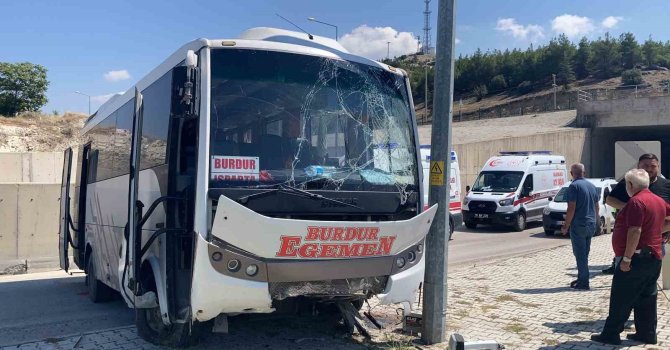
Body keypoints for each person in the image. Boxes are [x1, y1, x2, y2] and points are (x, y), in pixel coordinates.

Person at [591, 169, 670, 345]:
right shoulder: (658, 200)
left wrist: (626, 259)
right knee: (647, 298)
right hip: (654, 257)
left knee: (621, 297)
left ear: (631, 185)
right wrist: (657, 231)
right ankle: (647, 333)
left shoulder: (636, 202)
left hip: (637, 259)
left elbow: (635, 230)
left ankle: (611, 334)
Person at [602, 153, 670, 274]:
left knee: (648, 278)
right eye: (645, 165)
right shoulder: (629, 182)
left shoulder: (666, 185)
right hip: (629, 239)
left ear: (658, 167)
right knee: (628, 278)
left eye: (653, 166)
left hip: (656, 241)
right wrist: (630, 208)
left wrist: (655, 229)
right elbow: (610, 199)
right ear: (638, 166)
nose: (649, 169)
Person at [560, 163, 600, 290]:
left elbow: (571, 207)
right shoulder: (592, 186)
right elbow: (596, 207)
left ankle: (583, 283)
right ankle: (582, 277)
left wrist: (566, 225)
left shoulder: (574, 186)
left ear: (572, 174)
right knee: (585, 254)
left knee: (580, 254)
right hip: (591, 224)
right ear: (584, 172)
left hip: (579, 224)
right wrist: (595, 221)